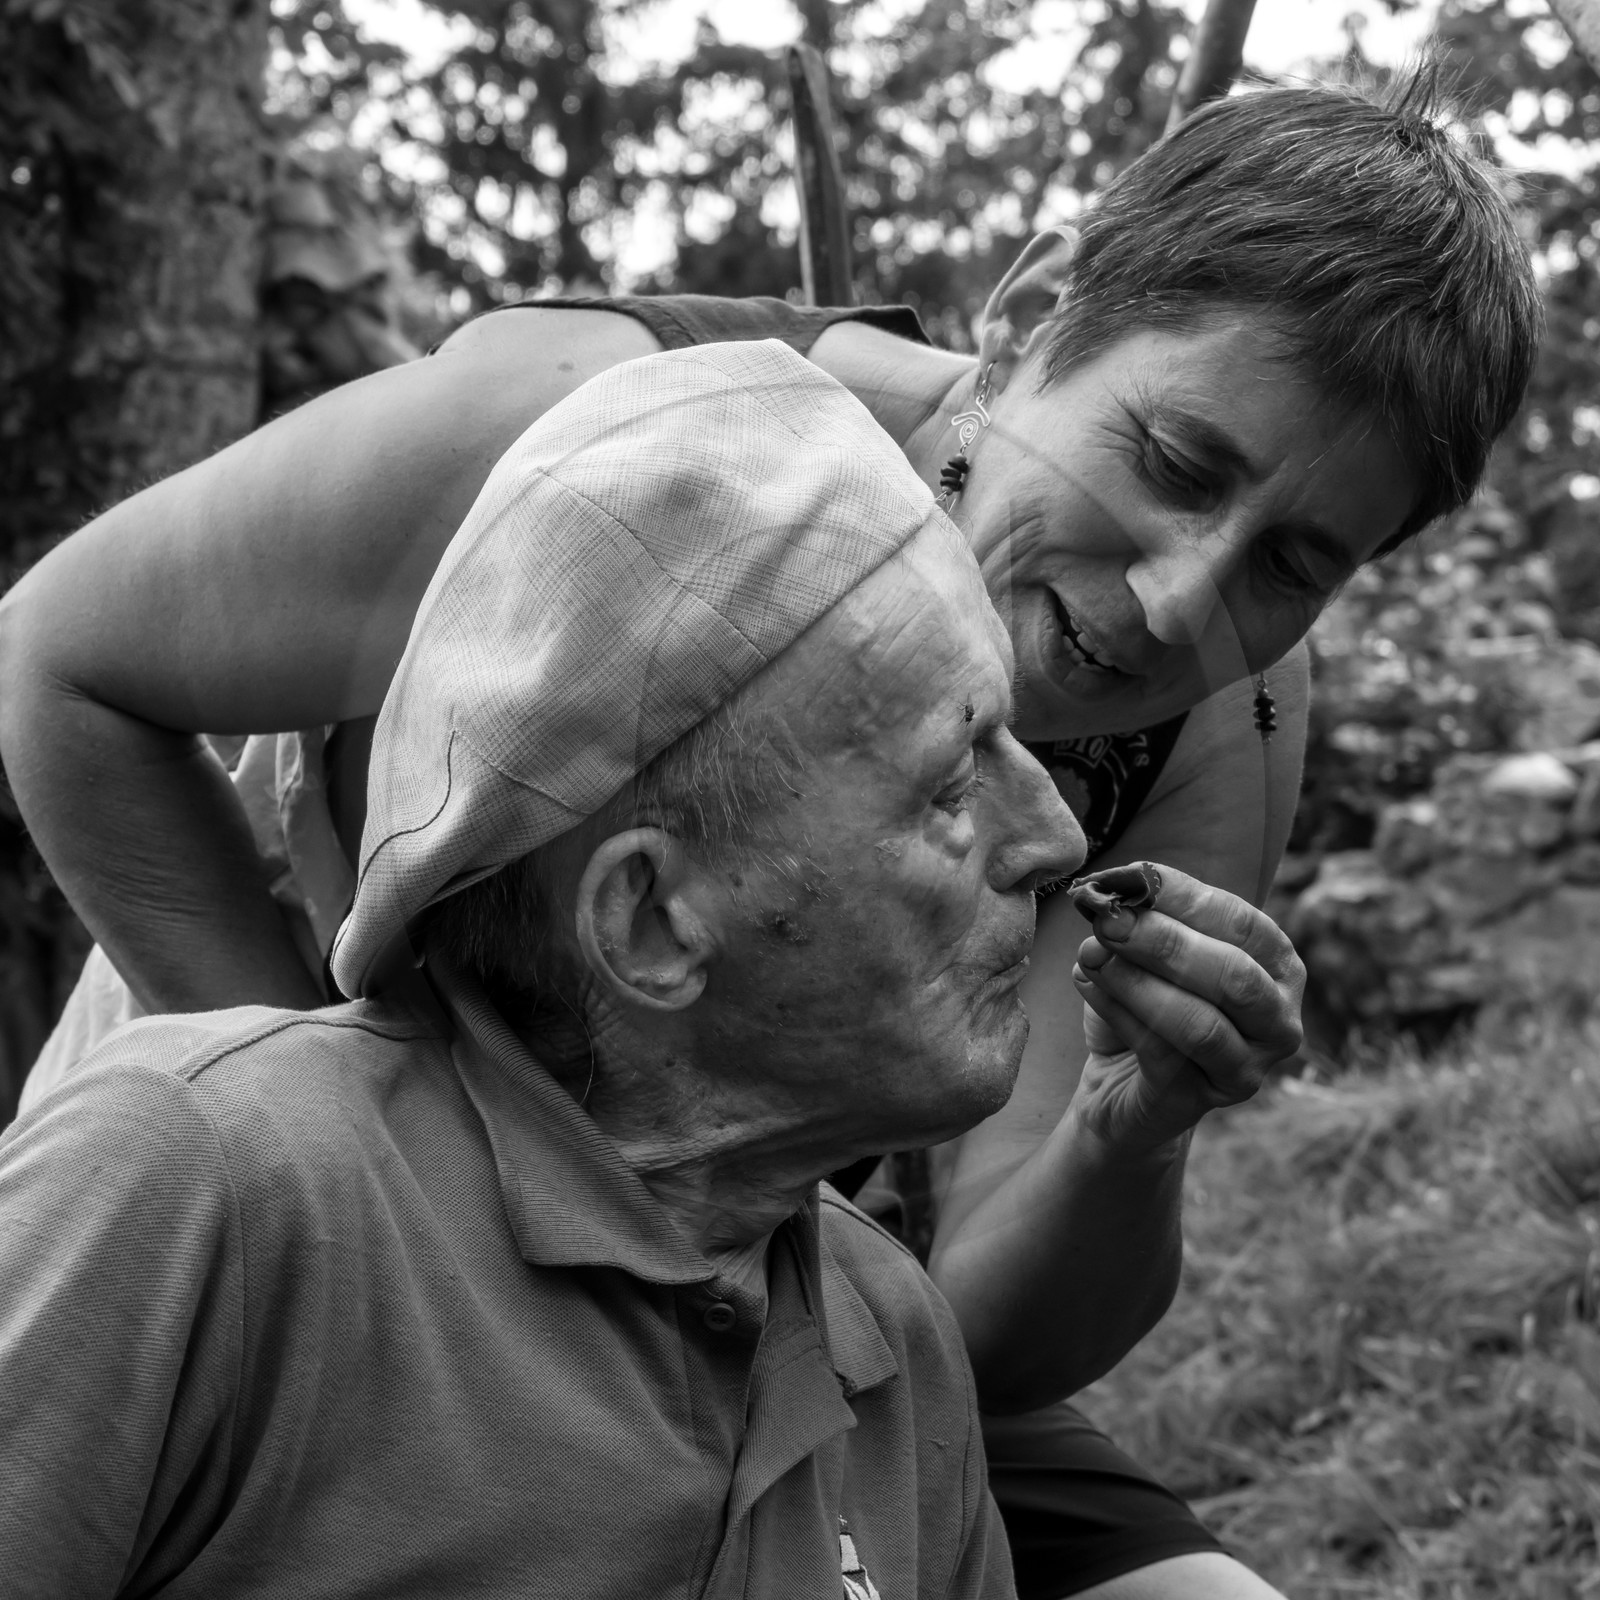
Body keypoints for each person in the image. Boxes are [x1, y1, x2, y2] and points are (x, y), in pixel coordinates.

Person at [0, 77, 1541, 1600]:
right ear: (1027, 320)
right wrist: (345, 1161)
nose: (1178, 604)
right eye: (1175, 464)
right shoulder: (598, 443)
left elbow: (992, 1332)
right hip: (270, 1128)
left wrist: (1133, 1135)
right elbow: (61, 661)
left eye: (1291, 564)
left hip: (740, 1249)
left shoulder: (1221, 716)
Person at [0, 341, 1078, 1595]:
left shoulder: (891, 1338)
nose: (1053, 837)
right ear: (650, 924)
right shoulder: (201, 1188)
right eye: (950, 784)